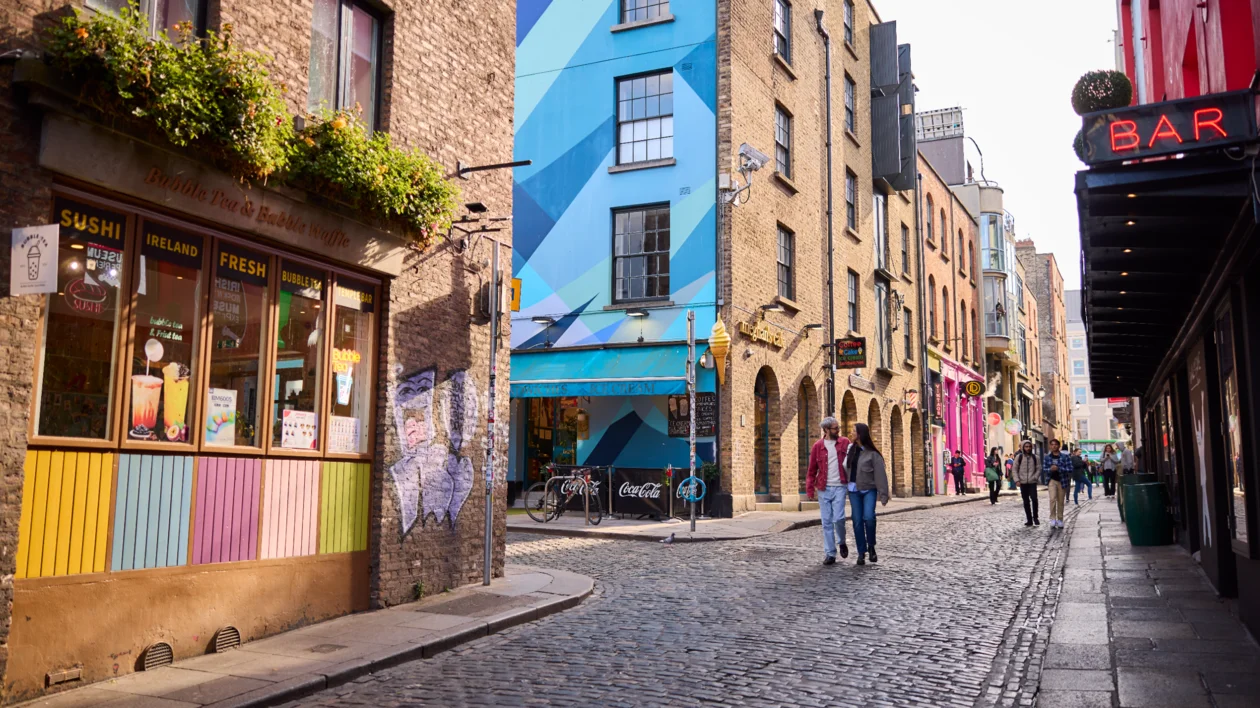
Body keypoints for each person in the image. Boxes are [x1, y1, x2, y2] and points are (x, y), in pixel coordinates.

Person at [805, 416, 850, 565]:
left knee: (839, 518)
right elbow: (812, 470)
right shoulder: (818, 446)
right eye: (835, 428)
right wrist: (810, 489)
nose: (838, 431)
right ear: (826, 430)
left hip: (840, 486)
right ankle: (830, 553)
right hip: (824, 488)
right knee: (826, 522)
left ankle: (842, 541)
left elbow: (852, 463)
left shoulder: (844, 442)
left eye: (838, 428)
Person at [849, 423, 890, 566]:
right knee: (857, 521)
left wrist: (883, 494)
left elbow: (880, 475)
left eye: (854, 431)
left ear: (860, 434)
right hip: (853, 490)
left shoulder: (873, 454)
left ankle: (871, 545)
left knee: (869, 517)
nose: (851, 433)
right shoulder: (850, 450)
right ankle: (861, 552)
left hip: (869, 490)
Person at [1042, 439, 1072, 528]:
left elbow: (1070, 469)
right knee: (1052, 499)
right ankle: (1053, 519)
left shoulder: (1065, 457)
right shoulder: (1047, 457)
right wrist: (1050, 469)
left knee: (1060, 501)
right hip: (1051, 480)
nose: (1054, 446)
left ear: (1059, 446)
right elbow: (1044, 469)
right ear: (1050, 446)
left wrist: (1059, 469)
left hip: (1062, 480)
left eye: (1055, 444)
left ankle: (1060, 519)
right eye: (1052, 444)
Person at [1011, 440, 1041, 526]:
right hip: (1022, 482)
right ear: (1023, 447)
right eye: (1026, 447)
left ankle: (1035, 517)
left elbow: (1039, 468)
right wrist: (1017, 480)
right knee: (1026, 501)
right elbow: (1014, 469)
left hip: (1032, 482)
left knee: (1034, 499)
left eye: (1029, 447)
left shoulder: (1036, 457)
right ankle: (1029, 519)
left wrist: (1035, 477)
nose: (1028, 448)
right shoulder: (1019, 457)